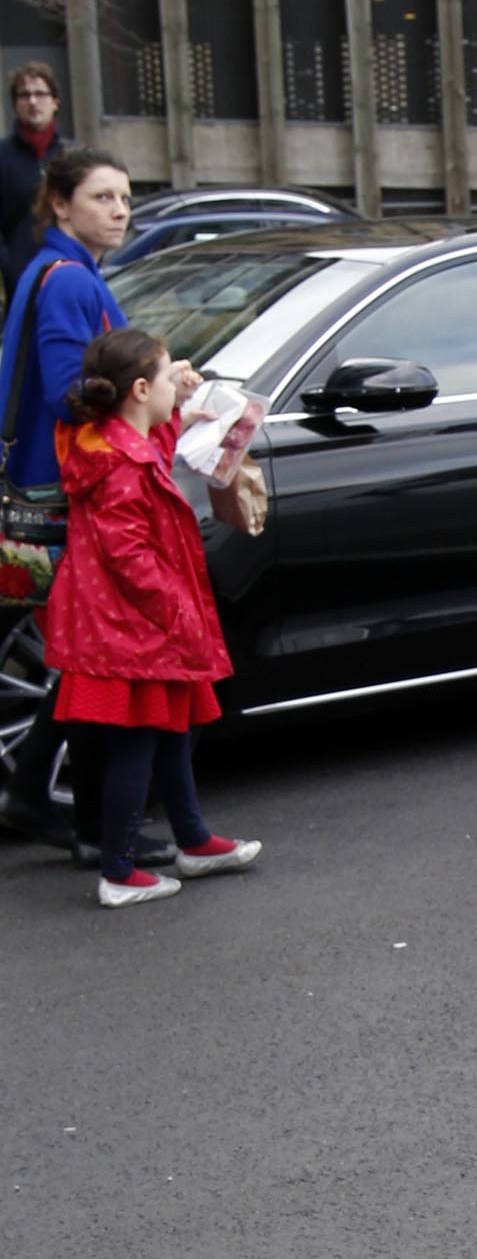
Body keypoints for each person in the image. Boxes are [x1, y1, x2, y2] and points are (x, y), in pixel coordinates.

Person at [44, 325, 259, 908]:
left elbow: (154, 435)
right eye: (168, 377)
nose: (177, 386)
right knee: (139, 744)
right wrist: (177, 608)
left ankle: (192, 840)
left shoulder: (109, 441)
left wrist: (182, 401)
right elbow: (130, 556)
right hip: (133, 628)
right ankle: (118, 871)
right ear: (139, 388)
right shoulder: (123, 465)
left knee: (167, 732)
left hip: (122, 624)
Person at [0, 147, 139, 855]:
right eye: (101, 198)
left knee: (80, 661)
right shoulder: (67, 282)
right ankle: (94, 827)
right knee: (93, 659)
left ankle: (33, 798)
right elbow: (68, 392)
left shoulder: (58, 272)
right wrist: (148, 387)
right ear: (59, 204)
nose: (118, 210)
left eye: (124, 197)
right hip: (64, 500)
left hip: (48, 493)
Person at [0, 63, 65, 300]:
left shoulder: (71, 155)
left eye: (40, 94)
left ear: (55, 102)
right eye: (25, 95)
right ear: (16, 105)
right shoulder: (3, 156)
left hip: (66, 273)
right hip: (20, 281)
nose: (33, 102)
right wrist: (11, 268)